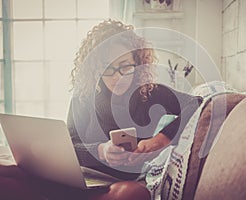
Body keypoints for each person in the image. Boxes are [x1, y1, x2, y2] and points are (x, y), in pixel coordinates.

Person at [0, 19, 202, 200]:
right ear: (94, 69)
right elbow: (70, 144)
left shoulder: (150, 93)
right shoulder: (84, 95)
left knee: (133, 194)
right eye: (107, 68)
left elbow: (195, 103)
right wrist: (100, 150)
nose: (117, 76)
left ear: (137, 62)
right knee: (6, 174)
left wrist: (160, 140)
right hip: (82, 177)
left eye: (124, 66)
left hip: (117, 184)